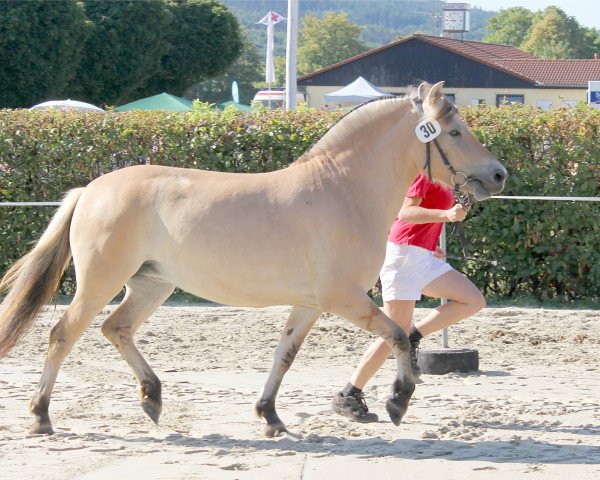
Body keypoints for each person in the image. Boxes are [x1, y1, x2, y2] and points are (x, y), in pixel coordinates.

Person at [332, 172, 486, 423]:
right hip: (403, 258)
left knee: (473, 300)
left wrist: (429, 243)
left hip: (422, 257)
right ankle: (349, 393)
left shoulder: (444, 180)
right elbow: (405, 212)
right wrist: (446, 215)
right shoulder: (426, 174)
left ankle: (414, 337)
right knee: (393, 333)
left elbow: (410, 219)